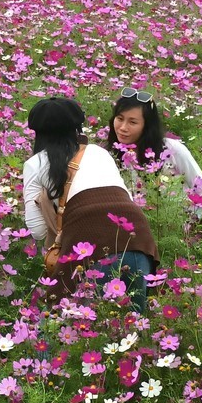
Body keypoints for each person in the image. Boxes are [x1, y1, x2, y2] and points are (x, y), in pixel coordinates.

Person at [23, 97, 158, 313]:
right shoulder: (99, 152)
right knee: (133, 324)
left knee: (76, 323)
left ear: (37, 133)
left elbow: (37, 231)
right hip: (138, 238)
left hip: (92, 245)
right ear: (77, 128)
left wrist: (46, 201)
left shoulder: (35, 163)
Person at [105, 87, 202, 233]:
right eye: (120, 119)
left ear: (147, 126)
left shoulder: (171, 149)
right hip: (149, 230)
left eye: (132, 122)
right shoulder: (111, 155)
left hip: (192, 227)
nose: (122, 128)